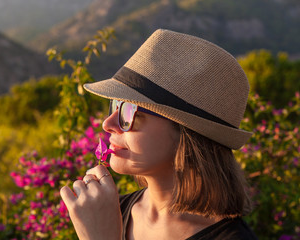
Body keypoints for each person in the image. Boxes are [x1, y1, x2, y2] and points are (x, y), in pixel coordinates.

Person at [60, 29, 258, 240]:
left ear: (186, 134)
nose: (107, 123)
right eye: (115, 104)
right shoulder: (110, 212)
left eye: (129, 111)